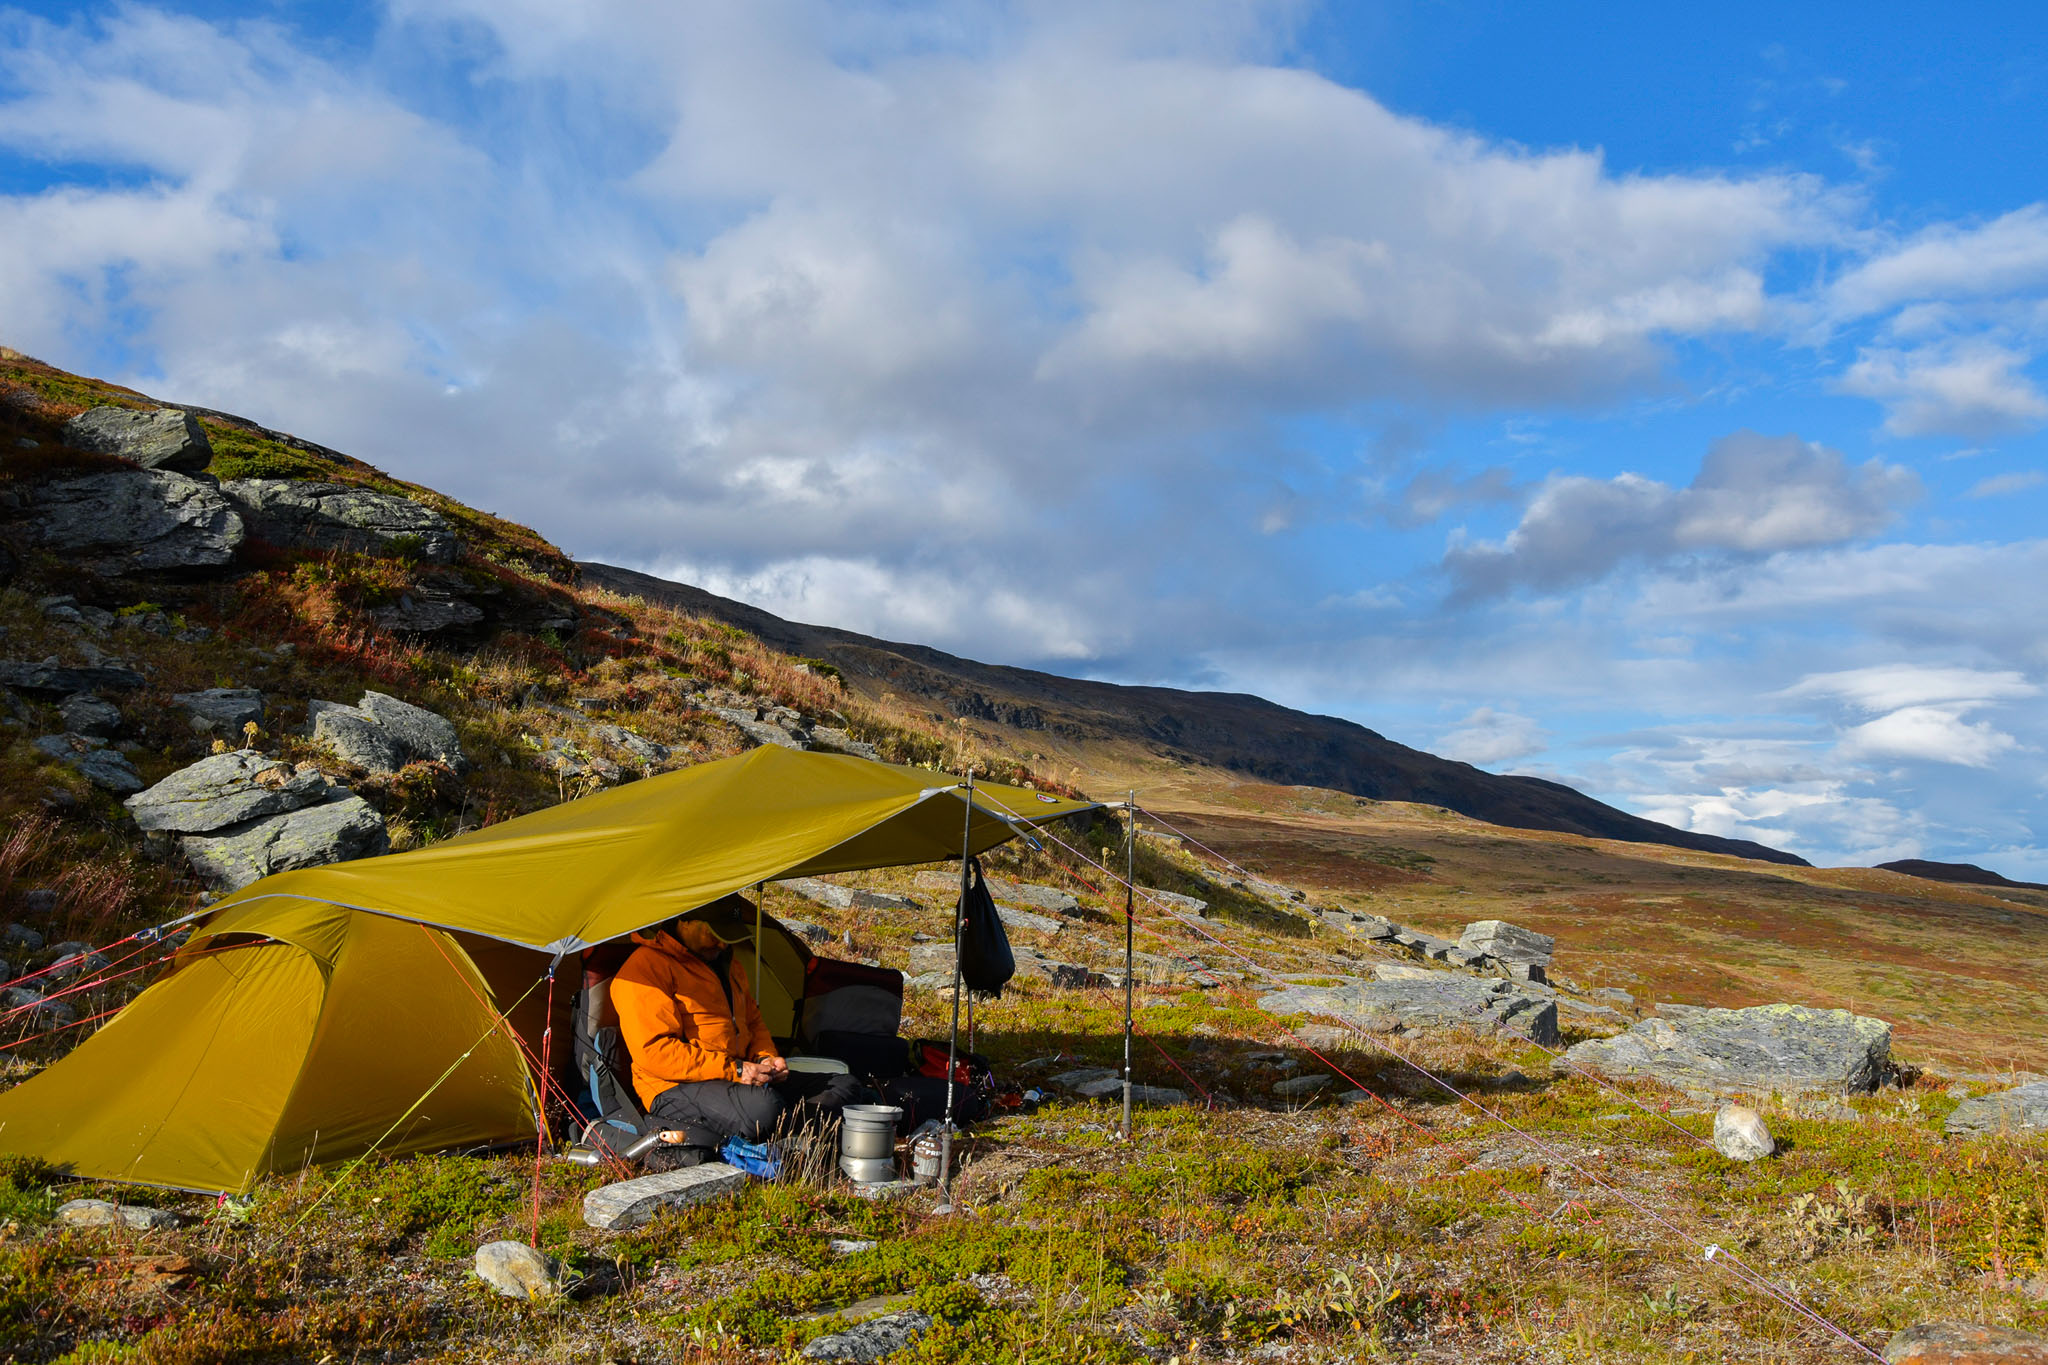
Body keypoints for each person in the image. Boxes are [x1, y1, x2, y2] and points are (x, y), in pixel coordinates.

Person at [611, 894, 863, 1155]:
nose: (722, 943)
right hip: (672, 1087)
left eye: (728, 935)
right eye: (714, 933)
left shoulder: (726, 963)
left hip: (739, 1076)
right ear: (684, 921)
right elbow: (655, 1053)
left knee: (844, 1085)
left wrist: (766, 1058)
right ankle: (800, 1130)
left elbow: (752, 1019)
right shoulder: (643, 970)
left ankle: (787, 1131)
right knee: (764, 1109)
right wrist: (736, 1070)